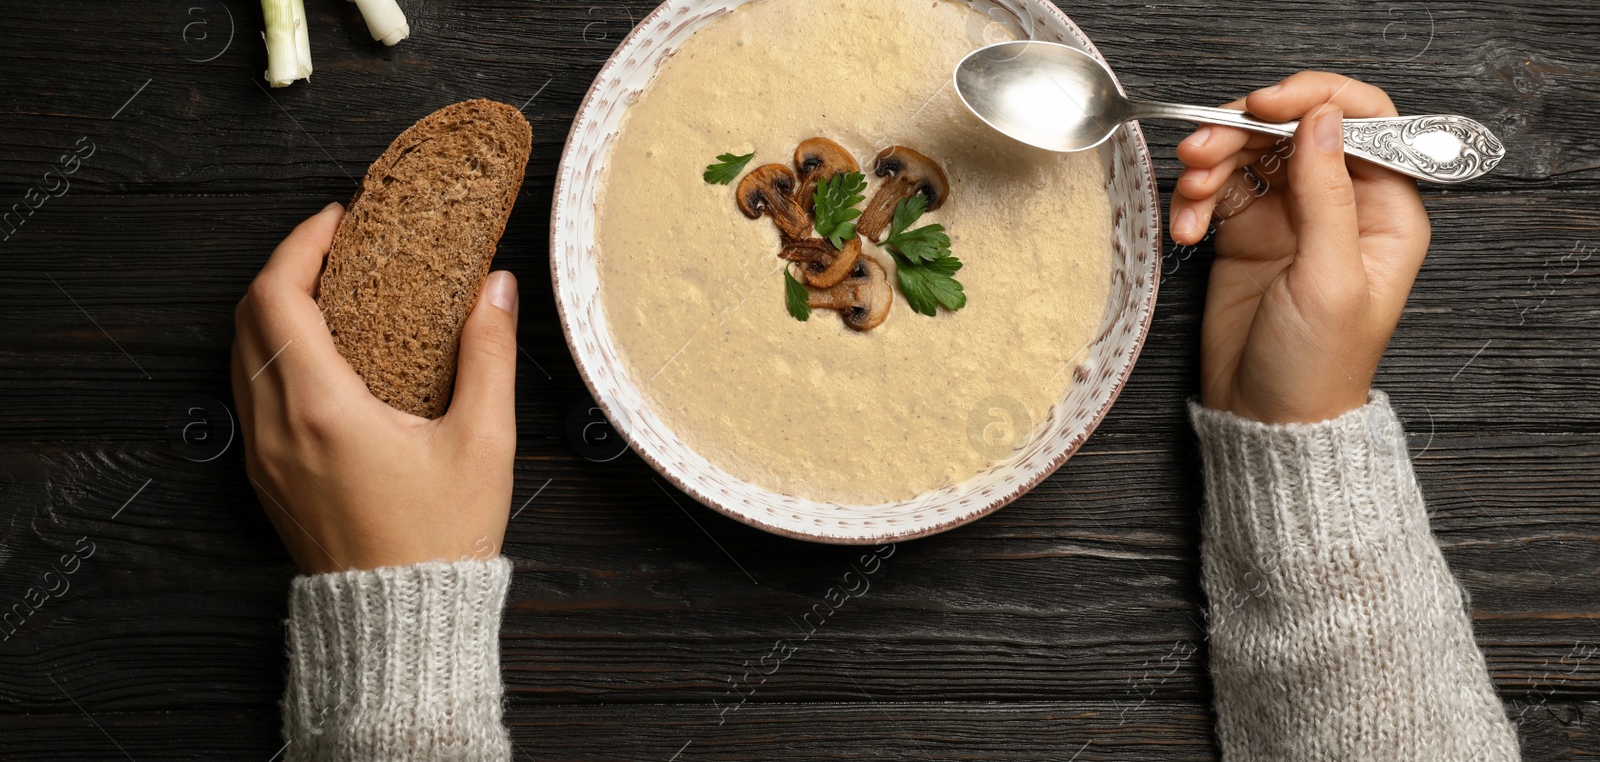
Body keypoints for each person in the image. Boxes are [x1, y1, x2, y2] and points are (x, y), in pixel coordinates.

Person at [233, 73, 1521, 762]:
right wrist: (1292, 427)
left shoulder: (882, 248)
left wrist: (398, 639)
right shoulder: (813, 224)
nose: (833, 244)